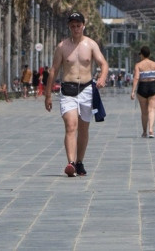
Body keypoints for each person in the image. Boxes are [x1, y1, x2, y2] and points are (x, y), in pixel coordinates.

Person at [45, 11, 108, 177]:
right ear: (69, 27)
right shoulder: (62, 47)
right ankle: (70, 163)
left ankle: (79, 161)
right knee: (71, 125)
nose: (75, 28)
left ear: (83, 26)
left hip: (87, 89)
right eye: (72, 26)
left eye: (78, 25)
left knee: (83, 128)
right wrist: (48, 94)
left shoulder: (91, 44)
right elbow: (54, 70)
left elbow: (103, 63)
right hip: (68, 90)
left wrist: (102, 78)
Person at [130, 45, 155, 138]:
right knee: (152, 109)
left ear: (142, 54)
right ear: (149, 54)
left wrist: (133, 91)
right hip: (153, 86)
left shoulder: (138, 65)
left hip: (142, 87)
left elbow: (136, 78)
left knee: (144, 112)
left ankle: (144, 132)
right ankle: (151, 131)